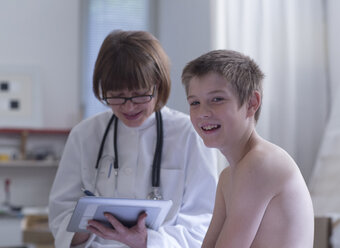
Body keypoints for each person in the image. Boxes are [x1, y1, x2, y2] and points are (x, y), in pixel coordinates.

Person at [48, 30, 219, 248]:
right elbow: (60, 209)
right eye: (117, 96)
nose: (129, 107)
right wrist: (80, 232)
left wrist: (150, 241)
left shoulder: (189, 134)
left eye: (139, 95)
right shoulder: (84, 134)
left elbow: (203, 220)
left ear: (158, 84)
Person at [181, 49, 314, 248]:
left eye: (217, 99)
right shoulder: (228, 177)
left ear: (252, 103)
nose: (203, 113)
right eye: (195, 103)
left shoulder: (261, 162)